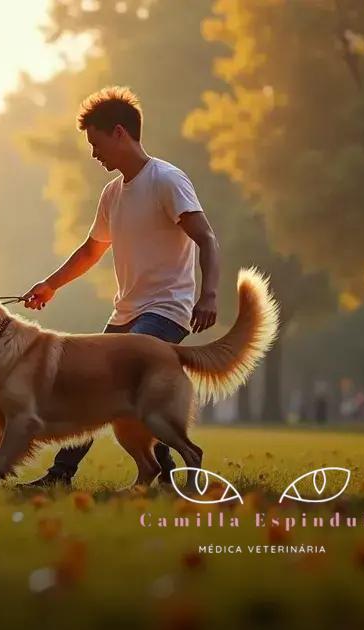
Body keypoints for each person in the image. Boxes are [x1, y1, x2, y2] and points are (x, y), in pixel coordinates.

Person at [18, 86, 221, 488]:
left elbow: (207, 238)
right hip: (126, 312)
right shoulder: (113, 193)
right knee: (105, 391)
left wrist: (209, 294)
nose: (94, 154)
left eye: (96, 143)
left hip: (166, 309)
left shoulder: (167, 180)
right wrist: (50, 285)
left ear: (119, 133)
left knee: (108, 382)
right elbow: (92, 250)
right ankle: (163, 475)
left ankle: (63, 474)